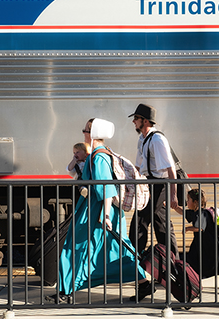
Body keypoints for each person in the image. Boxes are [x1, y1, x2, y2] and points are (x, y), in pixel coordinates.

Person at [47, 118, 154, 303]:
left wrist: (105, 216)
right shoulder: (96, 155)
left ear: (94, 133)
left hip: (96, 213)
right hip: (102, 212)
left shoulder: (99, 157)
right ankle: (144, 282)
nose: (83, 133)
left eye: (86, 130)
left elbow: (107, 188)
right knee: (115, 251)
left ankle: (65, 293)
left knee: (74, 249)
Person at [128, 103, 180, 261]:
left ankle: (134, 263)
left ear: (145, 121)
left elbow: (170, 170)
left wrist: (173, 196)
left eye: (136, 118)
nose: (133, 122)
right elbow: (138, 166)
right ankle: (172, 264)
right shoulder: (142, 139)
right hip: (149, 184)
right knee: (161, 225)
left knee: (140, 221)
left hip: (159, 185)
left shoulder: (157, 140)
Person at [173, 188, 219, 292]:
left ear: (195, 202)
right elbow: (182, 212)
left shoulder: (201, 214)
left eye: (188, 200)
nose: (186, 202)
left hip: (212, 246)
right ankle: (192, 282)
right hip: (202, 245)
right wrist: (173, 206)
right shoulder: (196, 212)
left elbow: (200, 228)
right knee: (194, 262)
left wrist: (187, 228)